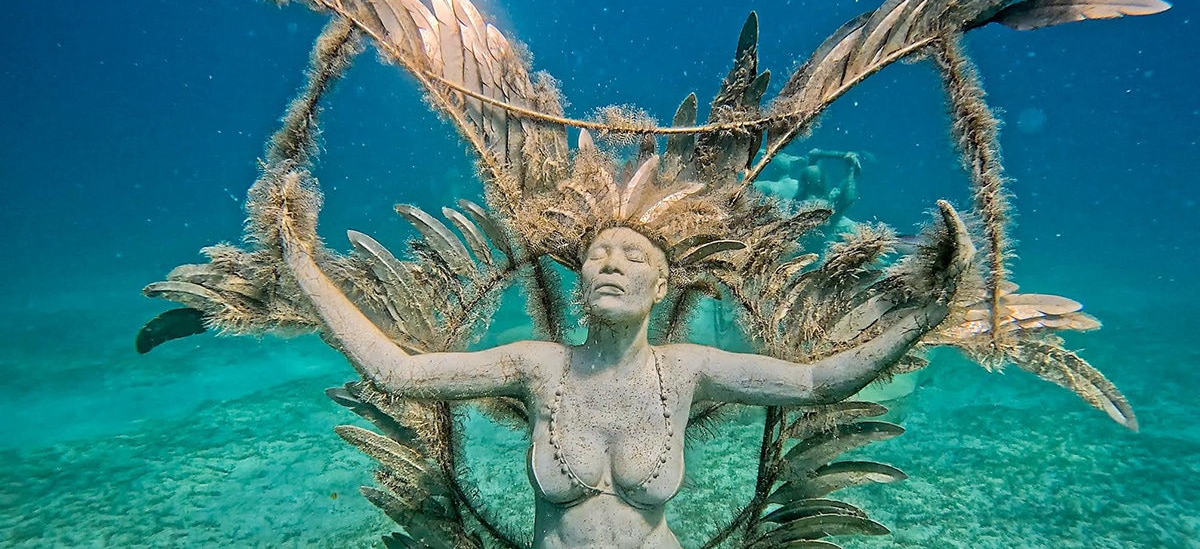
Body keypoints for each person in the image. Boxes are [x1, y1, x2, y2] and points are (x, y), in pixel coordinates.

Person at [283, 223, 948, 549]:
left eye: (634, 256)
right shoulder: (537, 365)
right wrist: (304, 269)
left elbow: (814, 382)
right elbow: (396, 372)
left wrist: (927, 312)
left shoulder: (686, 369)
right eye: (598, 254)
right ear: (578, 285)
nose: (610, 262)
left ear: (661, 287)